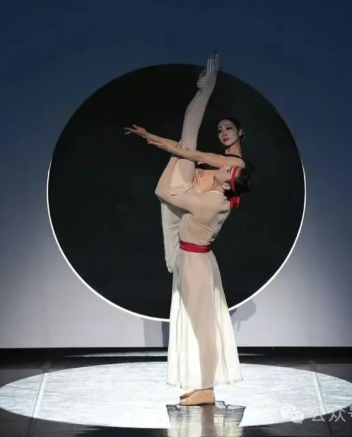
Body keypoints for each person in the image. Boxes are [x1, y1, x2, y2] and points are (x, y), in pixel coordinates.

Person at [125, 52, 252, 406]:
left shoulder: (227, 179)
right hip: (194, 241)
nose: (223, 134)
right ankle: (202, 385)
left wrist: (158, 142)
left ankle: (207, 389)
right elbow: (191, 152)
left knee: (202, 325)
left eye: (228, 129)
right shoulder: (224, 176)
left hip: (196, 236)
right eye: (221, 129)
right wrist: (155, 140)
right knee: (188, 136)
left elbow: (187, 167)